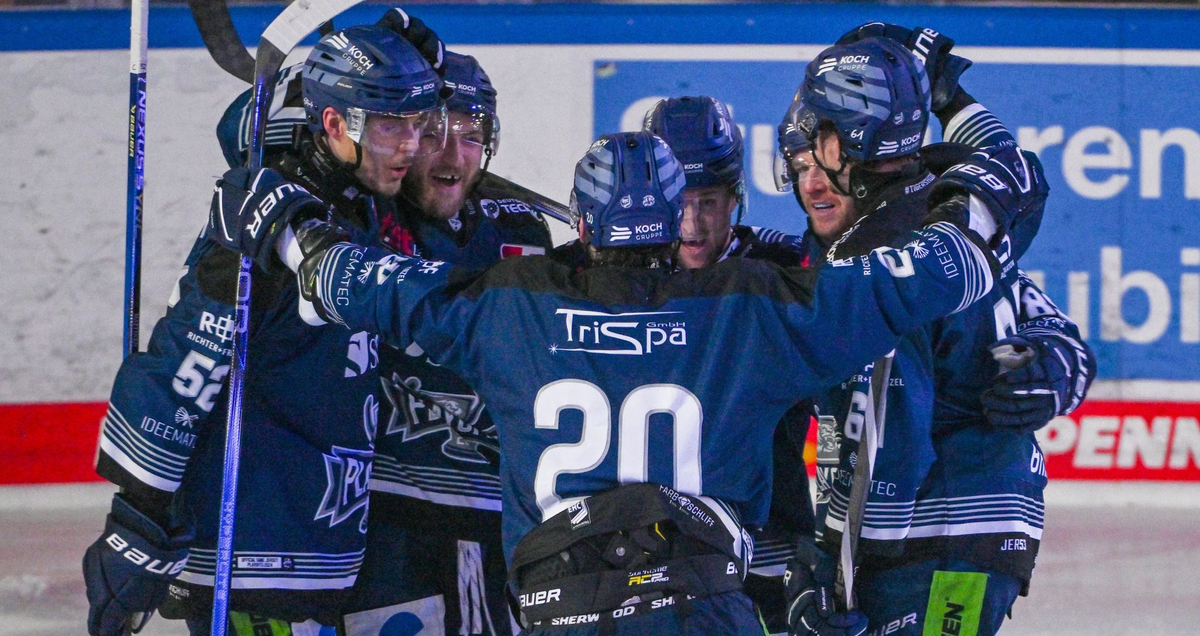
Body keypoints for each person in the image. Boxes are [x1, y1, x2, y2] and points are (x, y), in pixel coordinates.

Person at [206, 123, 1042, 635]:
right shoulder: (752, 311)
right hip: (706, 605)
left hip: (555, 609)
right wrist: (984, 204)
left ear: (583, 214)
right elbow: (921, 277)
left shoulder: (510, 309)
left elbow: (363, 284)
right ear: (675, 210)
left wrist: (283, 226)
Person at [83, 23, 447, 636]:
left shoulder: (357, 203)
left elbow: (246, 125)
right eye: (390, 125)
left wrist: (398, 42)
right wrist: (139, 508)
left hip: (319, 542)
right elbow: (190, 356)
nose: (411, 145)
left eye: (417, 123)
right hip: (254, 551)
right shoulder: (264, 224)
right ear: (333, 126)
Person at [774, 27, 1094, 636]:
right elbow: (1053, 327)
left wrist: (835, 577)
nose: (809, 183)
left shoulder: (876, 260)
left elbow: (884, 447)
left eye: (818, 156)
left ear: (848, 145)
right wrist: (1061, 363)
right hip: (990, 529)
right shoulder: (953, 206)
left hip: (925, 539)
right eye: (797, 166)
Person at [339, 51, 552, 636]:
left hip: (506, 524)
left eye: (471, 134)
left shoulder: (524, 232)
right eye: (431, 133)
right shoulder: (360, 219)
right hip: (387, 524)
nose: (453, 154)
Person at [642, 95, 814, 635]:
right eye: (679, 201)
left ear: (736, 197)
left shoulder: (785, 268)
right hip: (647, 548)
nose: (692, 224)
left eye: (710, 202)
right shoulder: (616, 274)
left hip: (768, 541)